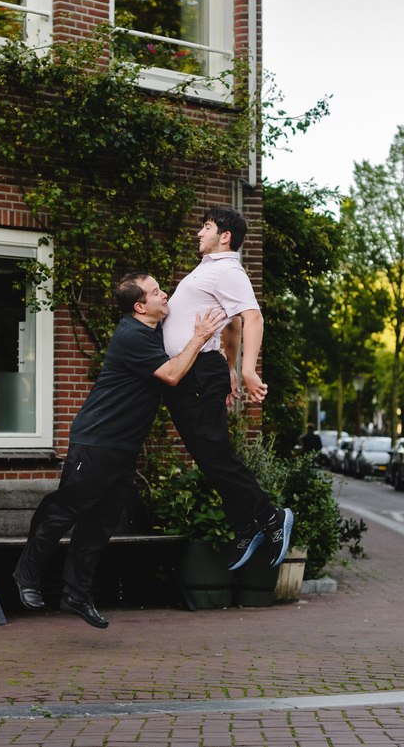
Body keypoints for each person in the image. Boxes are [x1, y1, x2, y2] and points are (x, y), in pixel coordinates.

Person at [13, 273, 226, 629]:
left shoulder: (153, 328)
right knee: (64, 510)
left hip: (123, 447)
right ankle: (26, 575)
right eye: (157, 292)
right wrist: (200, 336)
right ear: (140, 306)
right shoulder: (132, 335)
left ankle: (75, 594)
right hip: (96, 441)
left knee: (101, 524)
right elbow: (172, 374)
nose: (165, 294)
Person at [162, 206, 294, 572]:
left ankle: (269, 518)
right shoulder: (208, 269)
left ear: (225, 237)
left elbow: (252, 318)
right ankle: (245, 525)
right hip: (196, 371)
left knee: (215, 454)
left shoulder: (228, 270)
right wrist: (230, 367)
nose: (198, 233)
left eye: (205, 227)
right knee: (209, 457)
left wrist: (247, 369)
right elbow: (231, 324)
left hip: (199, 373)